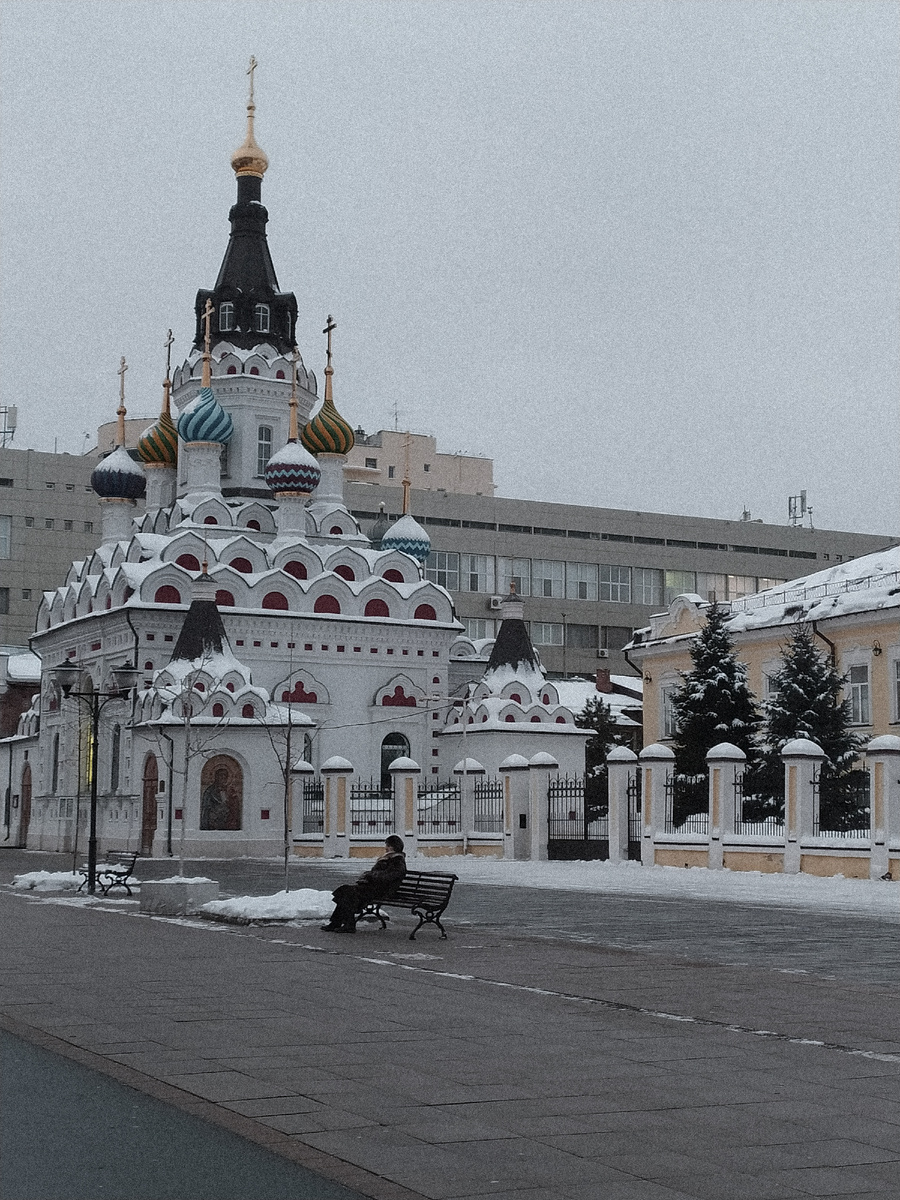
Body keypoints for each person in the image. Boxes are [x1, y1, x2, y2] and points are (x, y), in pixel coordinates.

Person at [321, 835, 407, 933]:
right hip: (374, 888)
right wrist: (368, 875)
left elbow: (390, 876)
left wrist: (372, 876)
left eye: (388, 845)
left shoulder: (398, 860)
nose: (386, 848)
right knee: (344, 890)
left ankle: (347, 925)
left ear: (394, 847)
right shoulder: (387, 858)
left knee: (349, 893)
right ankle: (338, 923)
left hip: (383, 891)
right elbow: (379, 873)